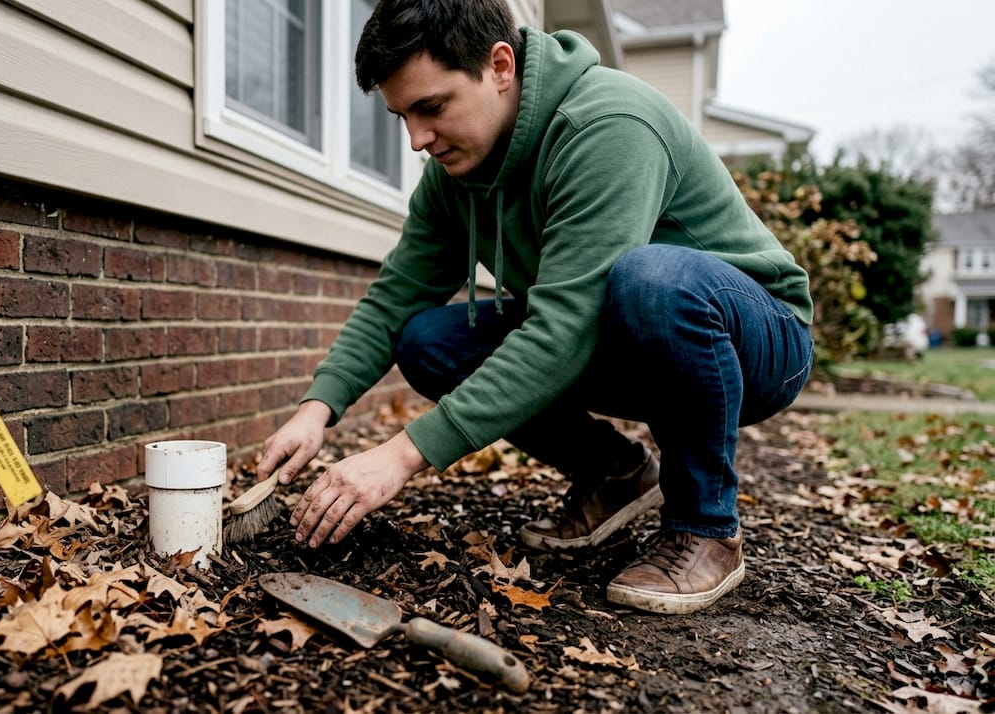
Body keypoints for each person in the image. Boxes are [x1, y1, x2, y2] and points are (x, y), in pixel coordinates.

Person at [255, 0, 813, 615]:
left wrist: (401, 455)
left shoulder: (608, 125)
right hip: (625, 338)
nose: (417, 140)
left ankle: (705, 526)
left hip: (758, 341)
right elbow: (396, 295)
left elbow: (563, 329)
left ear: (500, 66)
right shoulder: (456, 172)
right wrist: (316, 408)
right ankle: (616, 474)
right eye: (403, 116)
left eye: (431, 107)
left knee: (652, 279)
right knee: (429, 339)